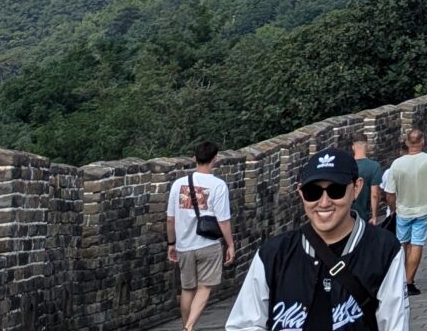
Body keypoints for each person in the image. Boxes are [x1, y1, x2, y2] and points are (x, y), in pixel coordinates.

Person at [223, 143, 407, 331]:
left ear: (356, 187)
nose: (324, 202)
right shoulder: (273, 254)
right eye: (313, 192)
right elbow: (244, 324)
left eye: (336, 190)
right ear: (301, 193)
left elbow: (395, 324)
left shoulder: (383, 250)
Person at [163, 141, 235, 331]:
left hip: (184, 245)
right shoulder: (219, 185)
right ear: (215, 159)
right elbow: (223, 221)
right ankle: (189, 326)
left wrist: (171, 243)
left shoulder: (178, 184)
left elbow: (170, 219)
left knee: (187, 288)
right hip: (208, 244)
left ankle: (187, 327)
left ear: (194, 158)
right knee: (204, 287)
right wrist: (230, 245)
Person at [380, 126, 427, 295]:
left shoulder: (397, 164)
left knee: (402, 244)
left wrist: (393, 209)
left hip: (403, 210)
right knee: (417, 243)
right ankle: (409, 282)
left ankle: (400, 279)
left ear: (406, 142)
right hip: (423, 208)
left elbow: (389, 193)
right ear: (423, 141)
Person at [352, 132, 388, 228]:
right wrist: (374, 216)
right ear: (366, 145)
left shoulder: (346, 165)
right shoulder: (374, 166)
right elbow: (375, 194)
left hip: (346, 213)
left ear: (353, 147)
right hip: (363, 214)